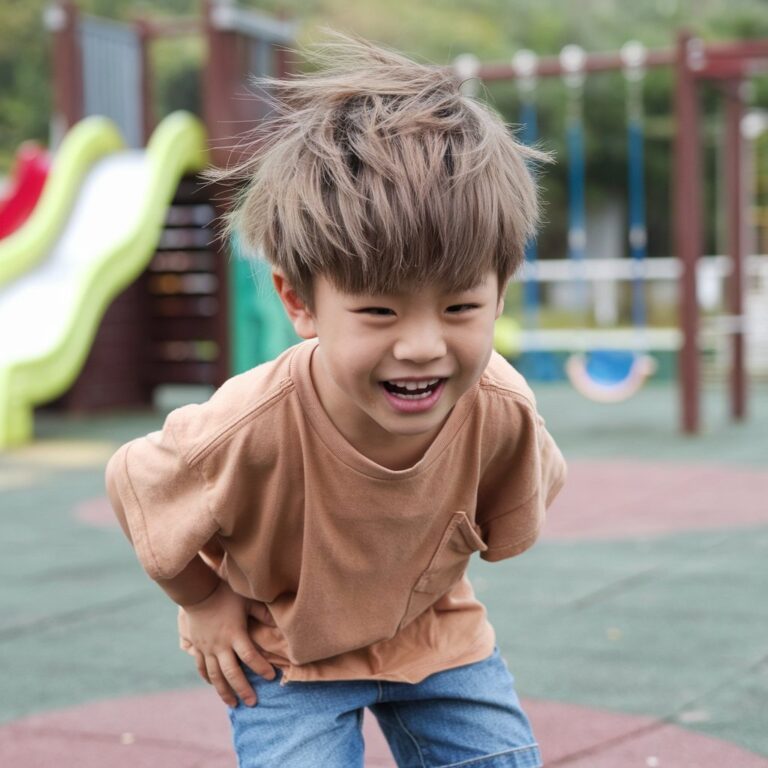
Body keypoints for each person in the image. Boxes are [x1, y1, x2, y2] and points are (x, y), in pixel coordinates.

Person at [105, 33, 566, 768]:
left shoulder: (501, 406)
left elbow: (517, 506)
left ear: (500, 290)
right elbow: (135, 481)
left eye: (459, 308)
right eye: (379, 313)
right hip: (287, 646)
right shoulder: (246, 423)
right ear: (300, 300)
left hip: (434, 634)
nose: (421, 345)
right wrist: (204, 601)